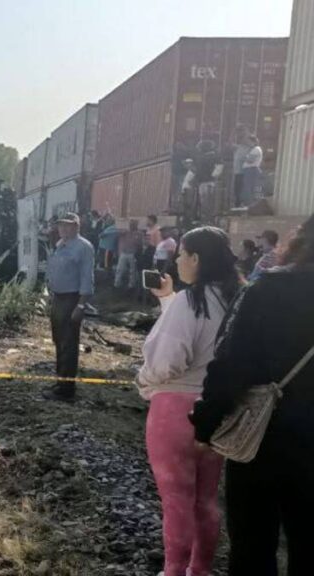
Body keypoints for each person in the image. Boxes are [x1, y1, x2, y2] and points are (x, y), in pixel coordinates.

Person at [190, 215, 314, 575]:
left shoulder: (266, 290)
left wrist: (205, 426)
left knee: (253, 544)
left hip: (264, 440)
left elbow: (230, 364)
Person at [136, 227, 241, 576]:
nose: (177, 261)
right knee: (206, 499)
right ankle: (200, 569)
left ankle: (173, 569)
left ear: (196, 258)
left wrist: (144, 380)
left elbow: (169, 359)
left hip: (173, 411)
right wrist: (167, 299)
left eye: (181, 254)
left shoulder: (190, 300)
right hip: (217, 409)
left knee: (176, 499)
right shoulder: (235, 299)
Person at [43, 213, 94, 402]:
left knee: (69, 344)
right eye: (60, 225)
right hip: (58, 298)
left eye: (67, 225)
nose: (63, 229)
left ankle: (66, 390)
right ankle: (60, 382)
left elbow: (87, 279)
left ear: (76, 227)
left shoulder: (83, 247)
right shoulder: (60, 244)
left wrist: (80, 305)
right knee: (58, 340)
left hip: (71, 299)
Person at [114, 220, 142, 290]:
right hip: (124, 253)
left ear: (136, 225)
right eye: (130, 224)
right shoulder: (125, 232)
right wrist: (122, 232)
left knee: (132, 270)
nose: (131, 226)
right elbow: (117, 235)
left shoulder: (139, 233)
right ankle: (117, 284)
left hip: (133, 254)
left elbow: (140, 244)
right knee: (120, 269)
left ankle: (131, 285)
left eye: (133, 224)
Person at [240, 134, 263, 206]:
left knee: (248, 188)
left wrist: (244, 157)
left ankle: (249, 204)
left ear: (254, 142)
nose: (247, 143)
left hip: (251, 170)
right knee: (248, 188)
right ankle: (248, 204)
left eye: (249, 141)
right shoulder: (253, 149)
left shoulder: (256, 149)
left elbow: (250, 160)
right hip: (250, 170)